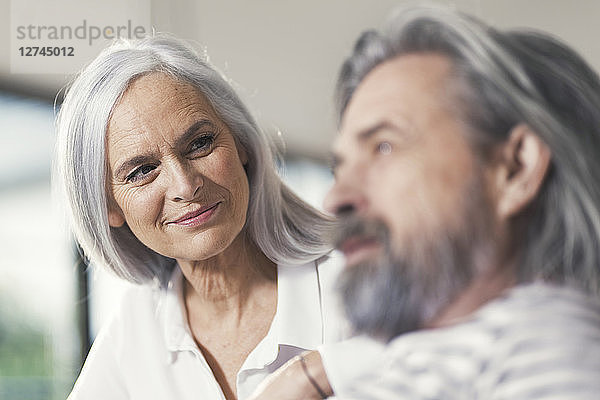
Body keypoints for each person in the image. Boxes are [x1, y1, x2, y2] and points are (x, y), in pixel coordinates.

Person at [248, 5, 600, 399]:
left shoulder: (548, 354)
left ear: (515, 168)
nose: (336, 199)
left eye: (384, 146)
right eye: (340, 168)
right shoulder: (436, 363)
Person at [55, 35, 347, 400]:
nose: (185, 185)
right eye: (142, 170)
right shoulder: (138, 323)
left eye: (199, 143)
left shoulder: (365, 280)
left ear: (241, 143)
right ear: (110, 207)